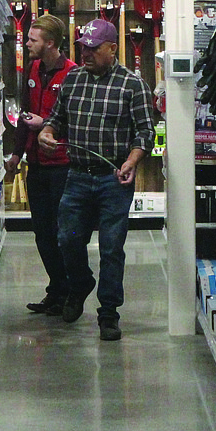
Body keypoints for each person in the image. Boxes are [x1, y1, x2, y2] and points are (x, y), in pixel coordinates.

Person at [38, 19, 154, 341]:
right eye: (83, 48)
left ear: (113, 48)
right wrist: (47, 133)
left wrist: (131, 161)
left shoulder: (132, 86)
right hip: (76, 177)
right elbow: (56, 120)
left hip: (113, 180)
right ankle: (80, 283)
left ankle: (108, 313)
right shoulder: (73, 80)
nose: (86, 53)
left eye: (93, 48)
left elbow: (146, 132)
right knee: (68, 239)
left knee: (111, 248)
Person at [5, 14, 76, 316]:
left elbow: (76, 122)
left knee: (64, 234)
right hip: (36, 165)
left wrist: (45, 124)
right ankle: (56, 289)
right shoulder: (33, 69)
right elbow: (25, 116)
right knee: (42, 234)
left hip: (62, 165)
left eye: (32, 39)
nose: (27, 43)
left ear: (49, 43)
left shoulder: (73, 74)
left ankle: (70, 292)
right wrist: (16, 155)